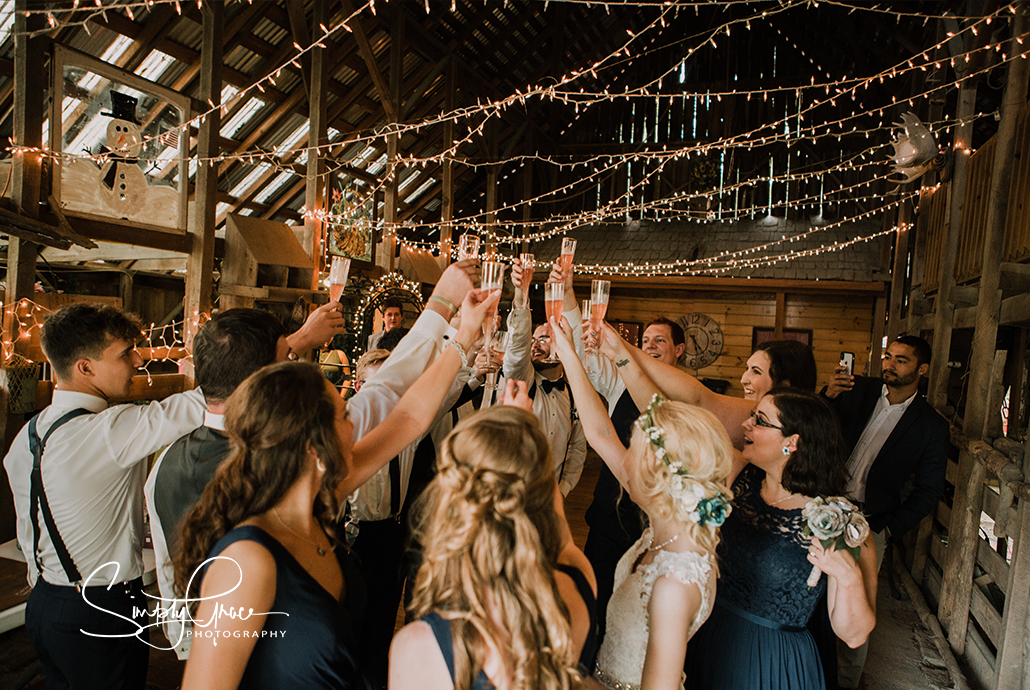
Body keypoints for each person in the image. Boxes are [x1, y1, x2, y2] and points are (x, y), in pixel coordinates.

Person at [174, 286, 497, 690]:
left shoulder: (323, 498)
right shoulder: (248, 561)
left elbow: (409, 417)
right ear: (313, 445)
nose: (355, 422)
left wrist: (464, 333)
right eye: (344, 414)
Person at [3, 303, 207, 690]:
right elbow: (200, 405)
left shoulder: (28, 435)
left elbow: (29, 533)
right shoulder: (109, 431)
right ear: (85, 367)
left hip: (46, 602)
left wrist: (53, 588)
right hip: (99, 612)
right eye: (125, 353)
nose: (137, 361)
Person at [145, 305, 345, 657]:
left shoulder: (164, 462)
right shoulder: (280, 461)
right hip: (278, 647)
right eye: (288, 359)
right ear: (265, 381)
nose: (296, 365)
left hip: (199, 643)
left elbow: (167, 566)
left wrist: (189, 643)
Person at [549, 314, 733, 690]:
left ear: (658, 474)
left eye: (632, 448)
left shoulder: (675, 583)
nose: (622, 457)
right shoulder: (667, 526)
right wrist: (569, 354)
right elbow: (599, 433)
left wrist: (562, 673)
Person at [389, 404, 597, 690]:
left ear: (448, 498)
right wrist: (527, 437)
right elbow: (562, 536)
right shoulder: (578, 583)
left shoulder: (417, 648)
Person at [683, 388, 878, 690]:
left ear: (792, 442)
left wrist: (848, 575)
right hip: (710, 636)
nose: (746, 424)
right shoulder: (738, 475)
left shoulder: (838, 521)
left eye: (759, 420)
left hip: (773, 663)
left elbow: (854, 635)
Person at [821, 335, 949, 690]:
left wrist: (888, 531)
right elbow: (814, 425)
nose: (890, 365)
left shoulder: (931, 426)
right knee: (810, 596)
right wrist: (828, 395)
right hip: (821, 504)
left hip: (868, 522)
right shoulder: (856, 389)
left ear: (922, 369)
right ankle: (807, 671)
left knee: (856, 606)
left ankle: (846, 683)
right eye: (888, 357)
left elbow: (928, 491)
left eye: (902, 360)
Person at [505, 259, 587, 497]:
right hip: (512, 496)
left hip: (551, 500)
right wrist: (521, 295)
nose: (535, 345)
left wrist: (563, 489)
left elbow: (577, 448)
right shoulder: (523, 380)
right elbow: (517, 351)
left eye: (543, 338)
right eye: (533, 340)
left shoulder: (572, 396)